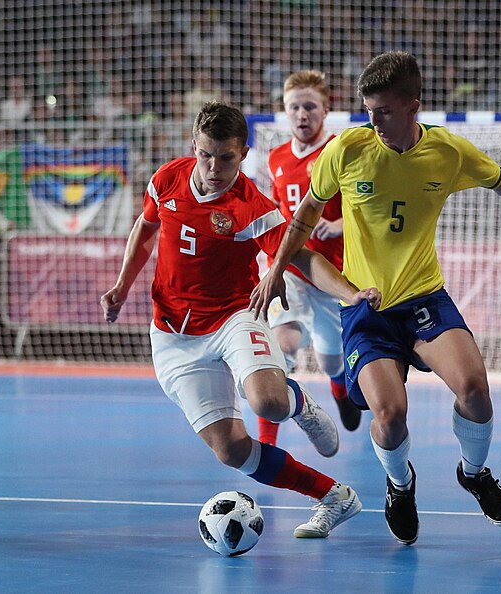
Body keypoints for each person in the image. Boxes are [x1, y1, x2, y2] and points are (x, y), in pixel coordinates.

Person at [250, 51, 501, 545]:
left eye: (384, 112)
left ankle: (473, 473)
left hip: (424, 300)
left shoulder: (447, 152)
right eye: (367, 110)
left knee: (476, 389)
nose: (372, 121)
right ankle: (400, 485)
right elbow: (306, 217)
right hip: (367, 309)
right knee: (391, 417)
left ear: (413, 106)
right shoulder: (348, 149)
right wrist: (274, 275)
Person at [100, 102, 378, 539]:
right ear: (195, 146)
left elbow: (302, 254)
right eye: (206, 154)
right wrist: (121, 285)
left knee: (267, 402)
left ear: (244, 153)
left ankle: (298, 403)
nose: (213, 167)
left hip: (234, 316)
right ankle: (335, 497)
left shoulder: (251, 206)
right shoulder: (166, 179)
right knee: (231, 450)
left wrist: (351, 293)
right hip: (173, 337)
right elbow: (145, 229)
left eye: (226, 157)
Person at [257, 70, 361, 448]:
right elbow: (275, 207)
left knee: (331, 360)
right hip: (292, 268)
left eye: (310, 107)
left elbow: (366, 206)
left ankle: (339, 388)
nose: (302, 114)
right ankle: (267, 442)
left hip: (331, 273)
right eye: (294, 107)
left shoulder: (340, 151)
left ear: (326, 109)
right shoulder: (275, 158)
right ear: (285, 112)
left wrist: (339, 222)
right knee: (283, 343)